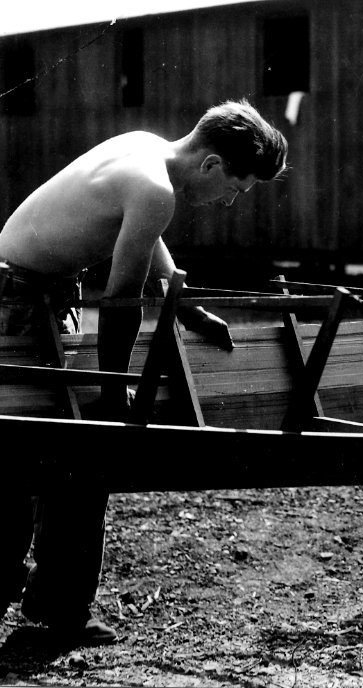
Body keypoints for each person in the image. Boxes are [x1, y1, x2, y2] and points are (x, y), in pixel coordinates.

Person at [0, 98, 288, 644]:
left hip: (26, 294)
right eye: (235, 188)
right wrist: (116, 394)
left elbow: (142, 233)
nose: (228, 201)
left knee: (46, 450)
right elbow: (120, 301)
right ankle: (54, 610)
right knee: (58, 449)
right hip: (19, 305)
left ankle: (51, 605)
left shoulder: (146, 148)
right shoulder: (156, 190)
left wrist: (183, 300)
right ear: (210, 165)